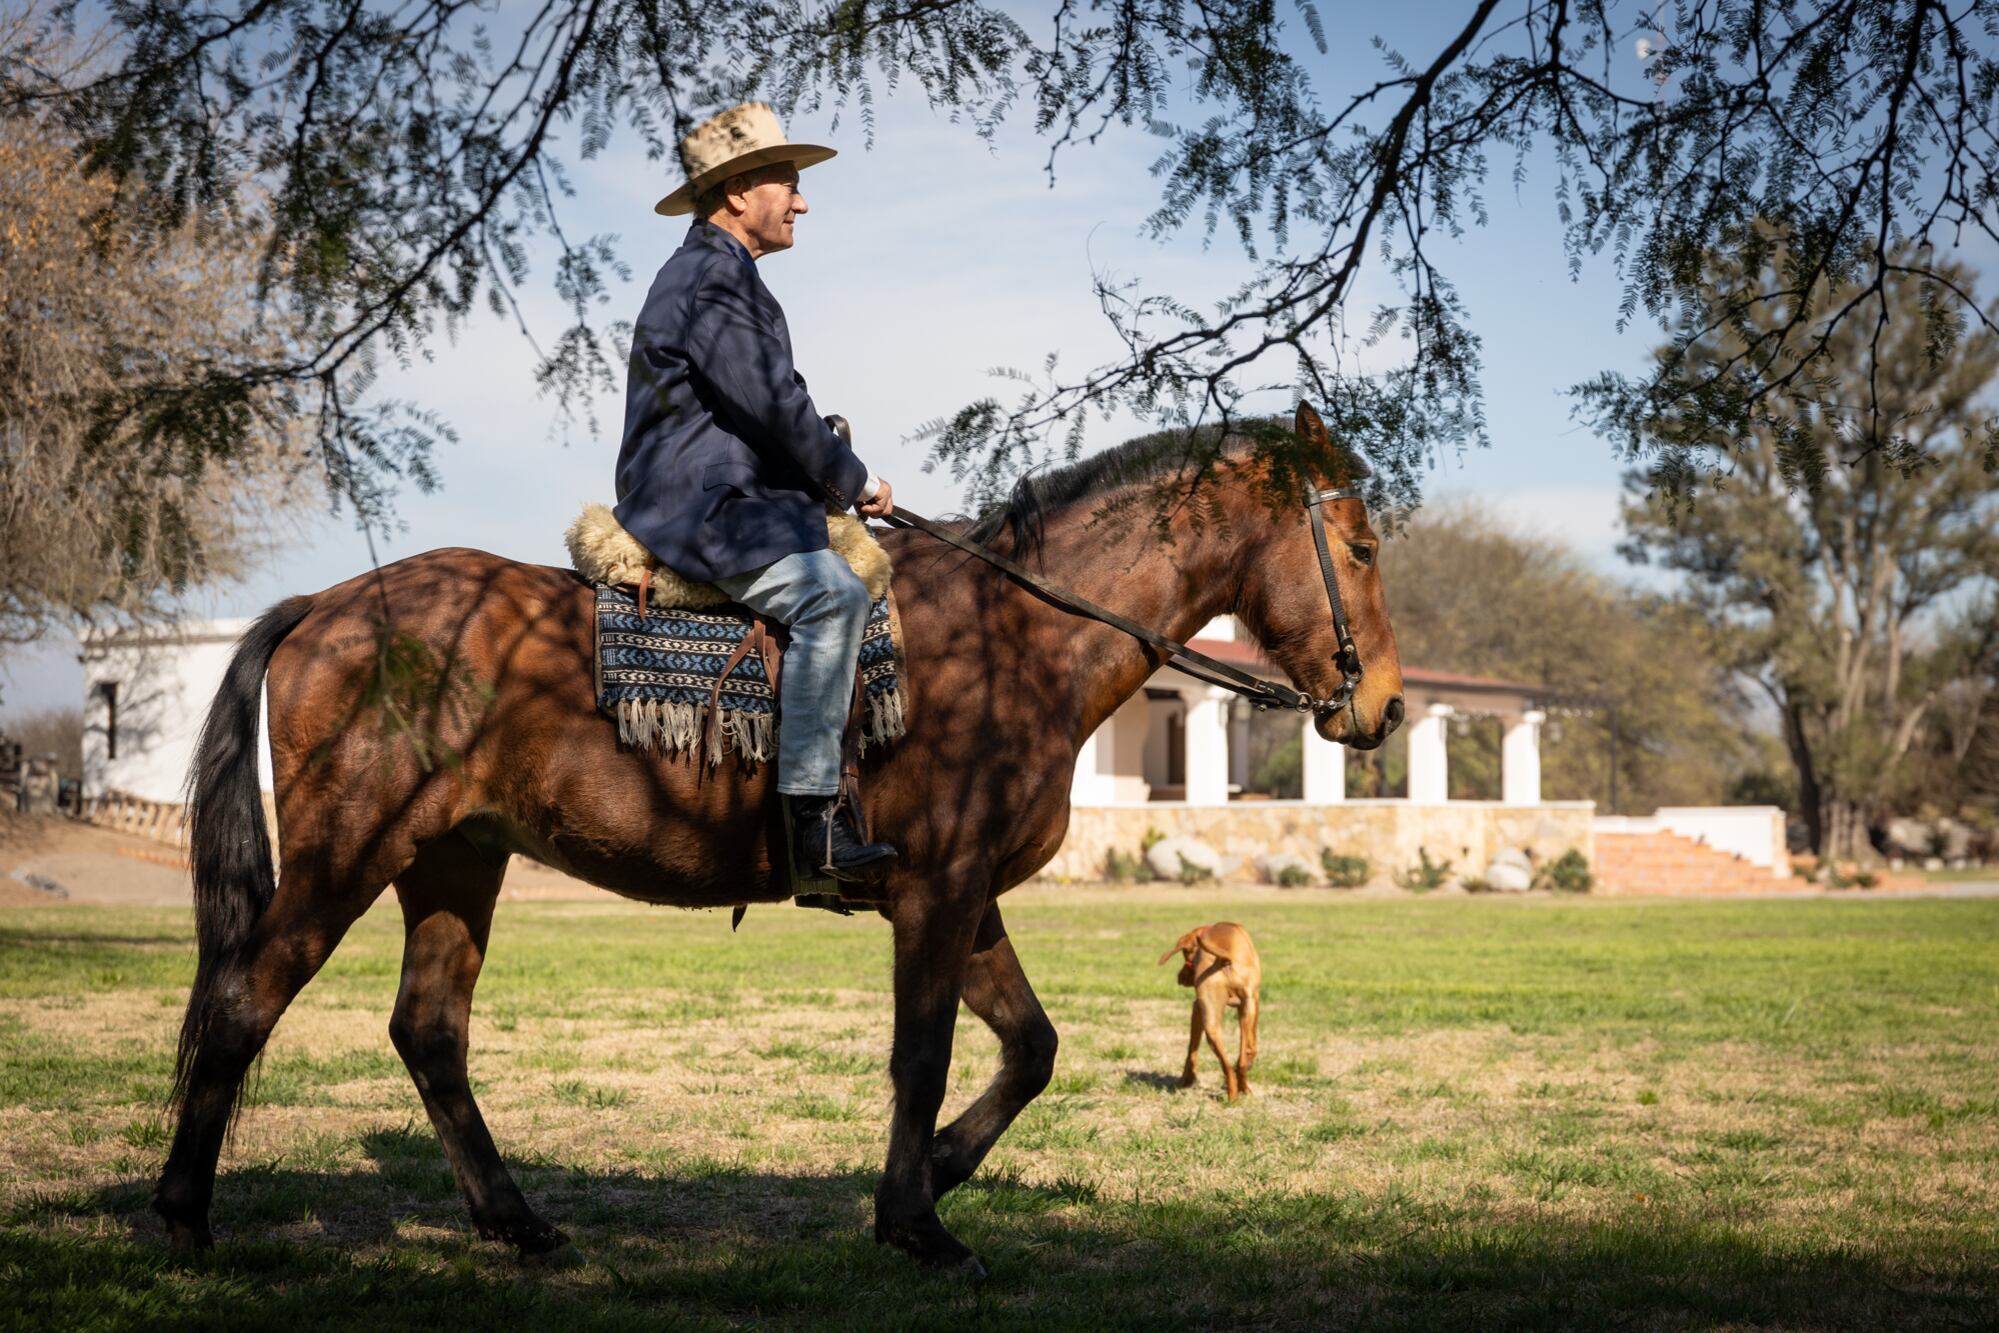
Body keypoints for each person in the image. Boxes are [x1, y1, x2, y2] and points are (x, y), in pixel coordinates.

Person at [615, 102, 896, 882]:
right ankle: (816, 827)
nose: (801, 201)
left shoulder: (718, 274)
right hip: (702, 507)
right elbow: (774, 408)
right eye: (788, 182)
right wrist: (856, 478)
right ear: (738, 192)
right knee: (832, 595)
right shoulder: (714, 279)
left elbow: (773, 408)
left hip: (725, 496)